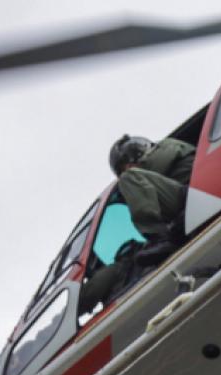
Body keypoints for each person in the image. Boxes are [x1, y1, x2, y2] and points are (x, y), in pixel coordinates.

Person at [79, 134, 196, 315]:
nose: (127, 171)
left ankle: (159, 238)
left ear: (133, 157)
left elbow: (135, 179)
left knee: (129, 180)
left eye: (125, 166)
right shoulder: (171, 153)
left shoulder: (161, 155)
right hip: (191, 198)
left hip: (193, 197)